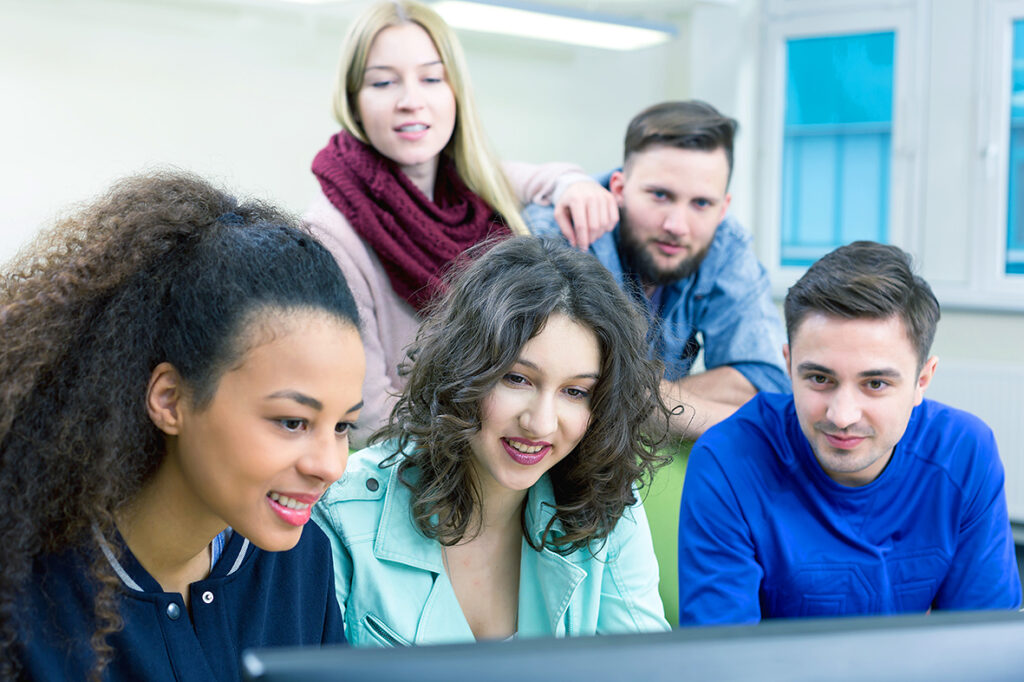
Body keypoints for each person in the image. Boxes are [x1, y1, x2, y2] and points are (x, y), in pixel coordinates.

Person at [2, 171, 366, 680]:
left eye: (344, 426)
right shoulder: (23, 596)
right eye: (292, 421)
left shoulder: (301, 561)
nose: (328, 465)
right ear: (170, 400)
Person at [314, 236, 673, 646]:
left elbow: (646, 668)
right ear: (465, 369)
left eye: (575, 392)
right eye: (517, 378)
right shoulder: (344, 511)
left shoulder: (607, 508)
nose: (540, 424)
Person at [306, 0, 609, 446]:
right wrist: (487, 443)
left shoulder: (470, 184)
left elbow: (541, 179)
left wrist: (574, 185)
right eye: (384, 82)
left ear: (455, 91)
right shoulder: (331, 232)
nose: (411, 101)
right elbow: (367, 413)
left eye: (431, 78)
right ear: (353, 99)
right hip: (420, 468)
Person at [677, 241, 1022, 624]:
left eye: (875, 384)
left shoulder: (964, 453)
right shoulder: (728, 460)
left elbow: (983, 644)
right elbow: (720, 663)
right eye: (820, 378)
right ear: (789, 365)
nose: (842, 416)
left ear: (922, 380)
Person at [523, 100, 789, 439]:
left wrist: (634, 395)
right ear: (618, 189)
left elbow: (765, 381)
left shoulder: (725, 246)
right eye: (660, 195)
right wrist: (729, 420)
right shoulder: (558, 233)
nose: (677, 225)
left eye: (701, 203)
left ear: (723, 209)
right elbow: (542, 381)